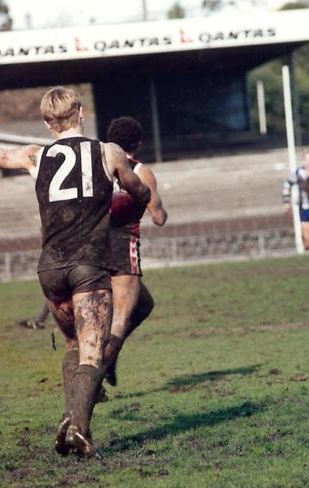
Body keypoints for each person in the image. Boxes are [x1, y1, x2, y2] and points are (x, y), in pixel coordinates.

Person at [0, 86, 151, 458]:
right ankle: (79, 428)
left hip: (51, 268)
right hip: (88, 265)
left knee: (73, 345)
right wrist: (135, 203)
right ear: (81, 114)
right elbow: (139, 191)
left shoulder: (34, 155)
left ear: (46, 123)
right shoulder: (109, 152)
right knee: (92, 353)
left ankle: (71, 419)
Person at [102, 116, 167, 388]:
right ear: (138, 143)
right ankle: (101, 370)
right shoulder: (140, 170)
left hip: (90, 243)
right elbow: (158, 217)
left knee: (143, 303)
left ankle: (109, 359)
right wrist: (160, 207)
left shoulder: (98, 167)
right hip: (120, 245)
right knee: (122, 317)